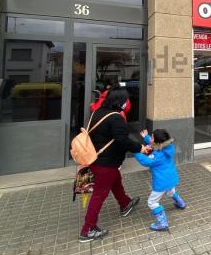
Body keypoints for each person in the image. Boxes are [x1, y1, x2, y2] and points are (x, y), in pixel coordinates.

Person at [79, 85, 149, 243]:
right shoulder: (116, 117)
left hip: (95, 158)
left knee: (116, 181)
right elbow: (122, 140)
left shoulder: (98, 112)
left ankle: (125, 203)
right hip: (106, 162)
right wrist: (140, 147)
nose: (127, 103)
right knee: (99, 195)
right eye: (126, 100)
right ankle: (88, 229)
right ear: (120, 101)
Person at [134, 129, 186, 231]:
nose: (151, 139)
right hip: (171, 178)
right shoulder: (167, 147)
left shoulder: (158, 155)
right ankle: (181, 203)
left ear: (158, 142)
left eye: (152, 137)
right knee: (170, 192)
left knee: (152, 202)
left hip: (161, 182)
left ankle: (162, 223)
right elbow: (155, 143)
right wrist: (146, 137)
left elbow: (146, 161)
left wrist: (136, 151)